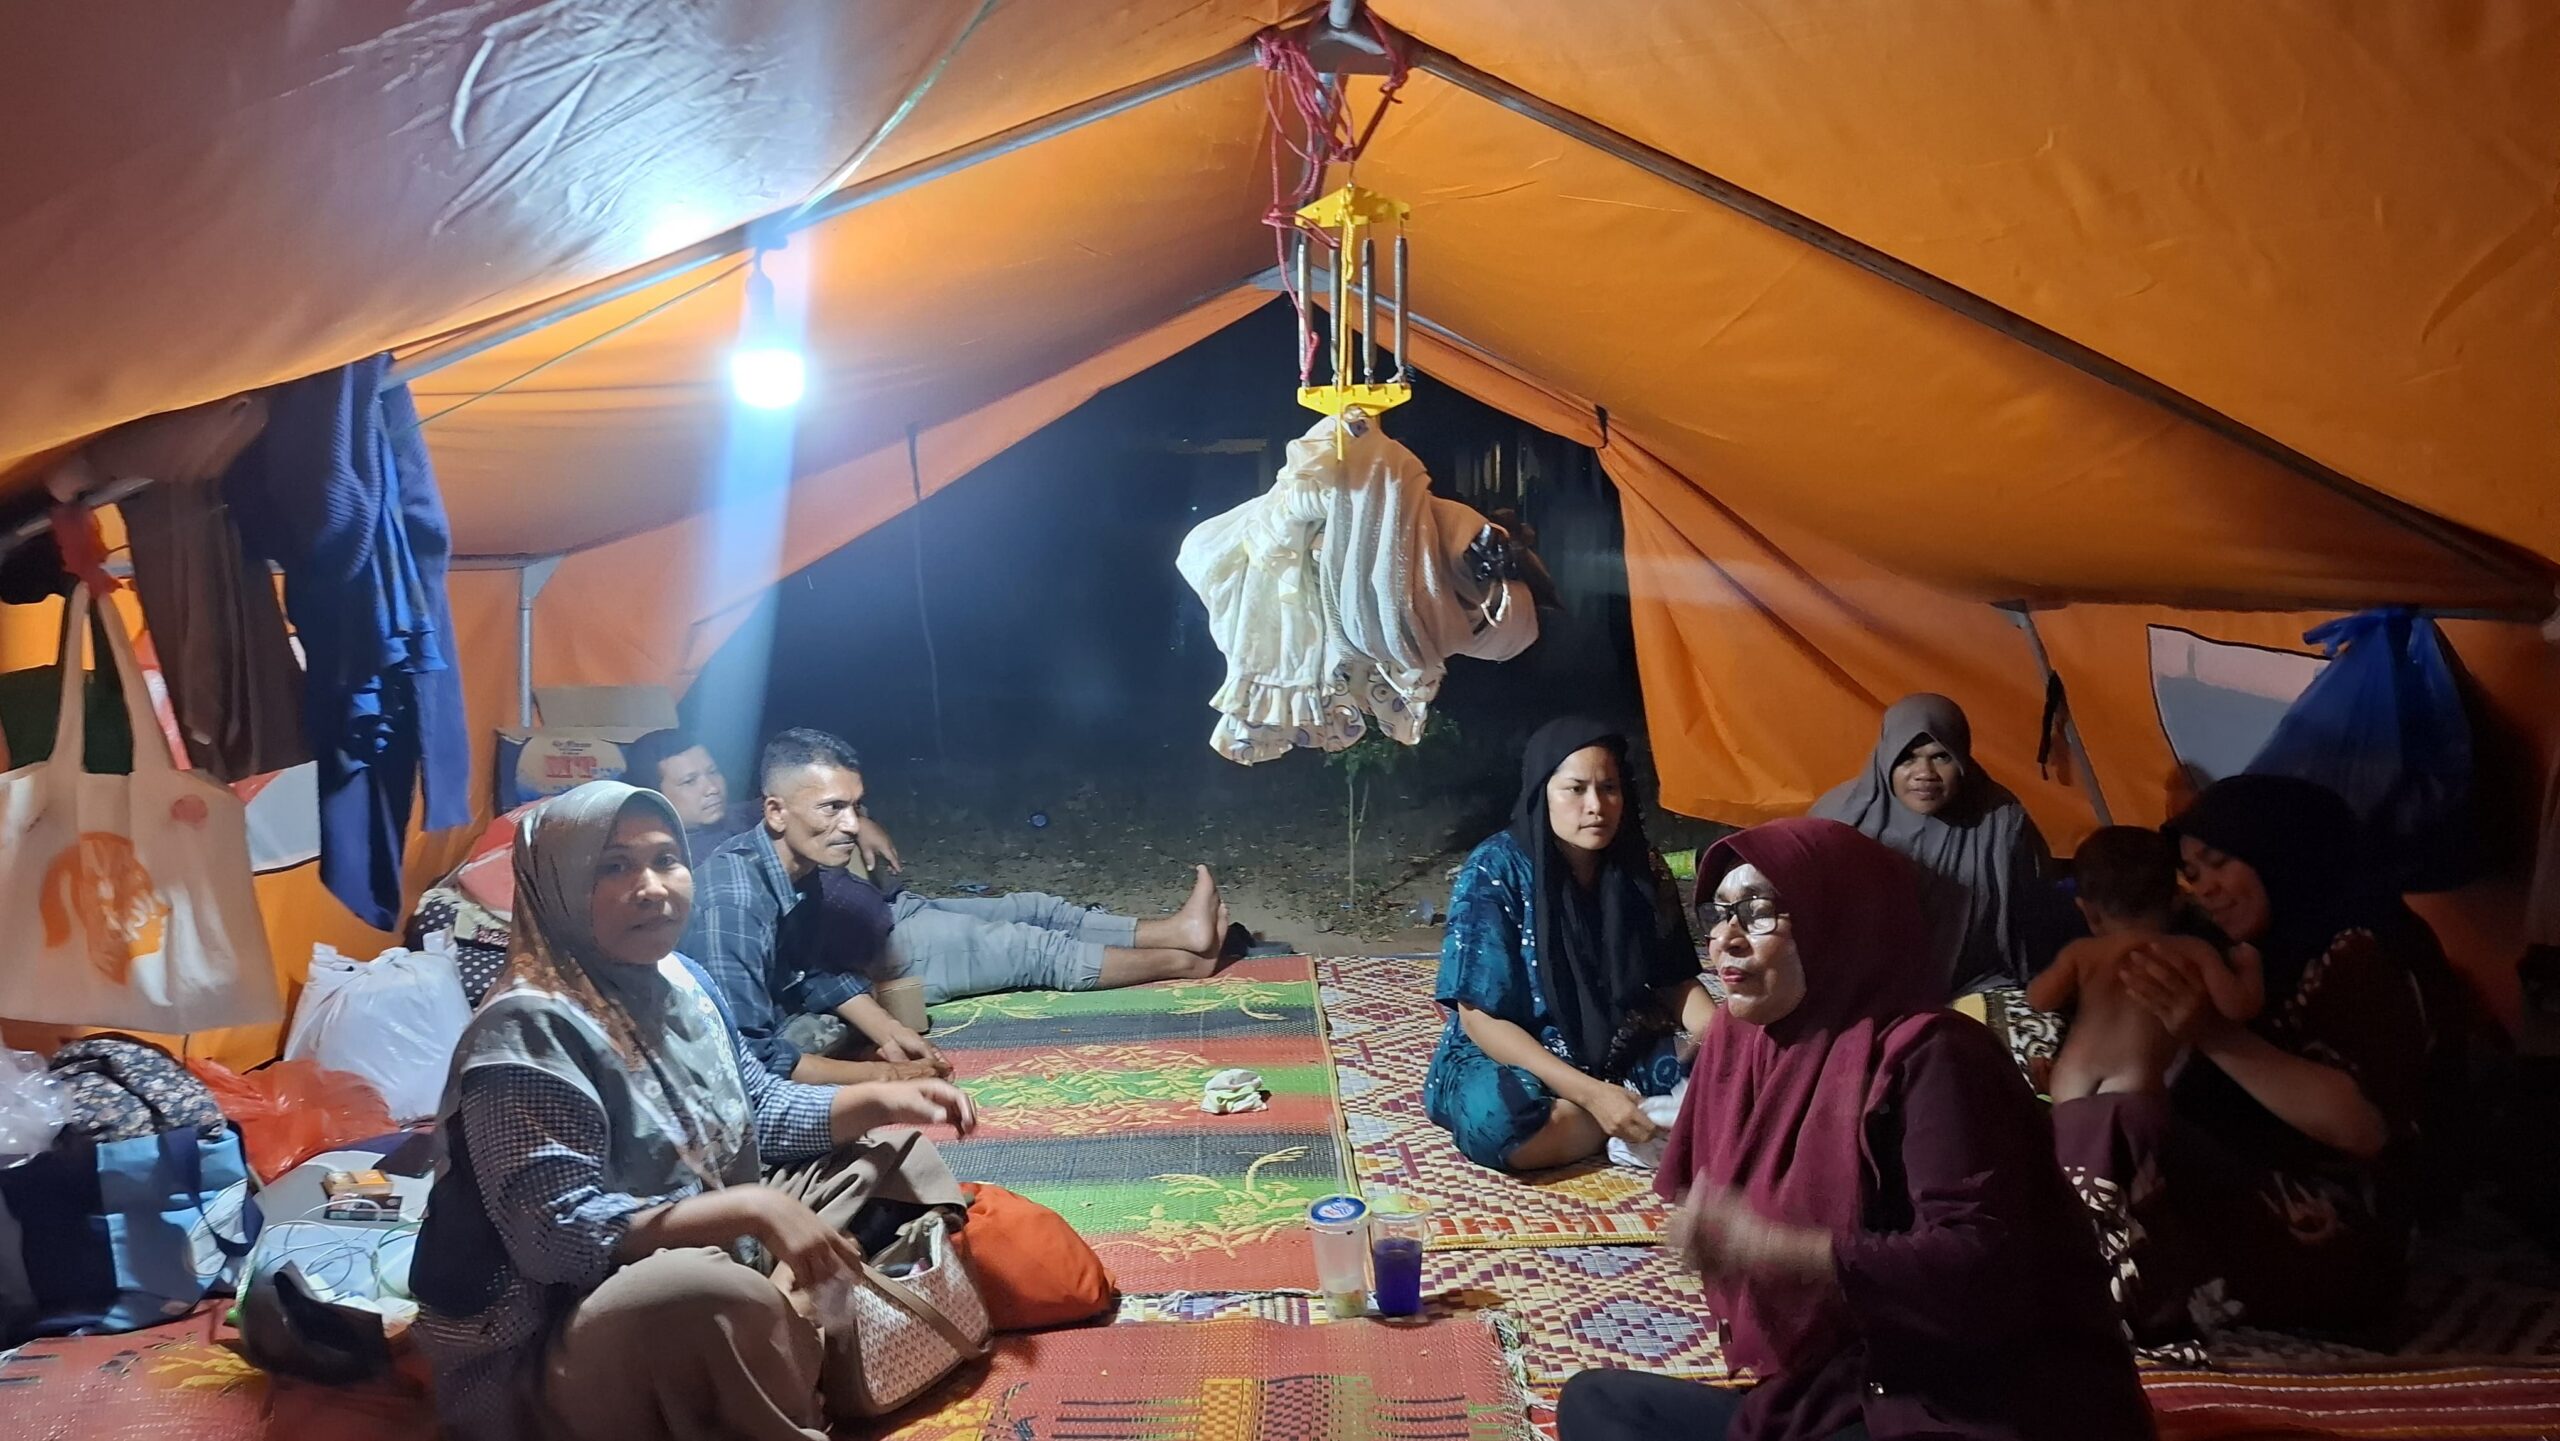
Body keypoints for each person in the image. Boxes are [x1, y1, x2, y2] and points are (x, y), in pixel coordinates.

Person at [410, 781, 981, 1441]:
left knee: (891, 1159)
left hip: (706, 1240)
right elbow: (558, 1241)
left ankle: (780, 1329)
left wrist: (882, 1098)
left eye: (665, 859)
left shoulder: (681, 978)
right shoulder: (526, 1034)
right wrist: (750, 1211)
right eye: (613, 866)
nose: (652, 887)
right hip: (551, 1346)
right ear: (557, 887)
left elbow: (756, 1109)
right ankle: (788, 1337)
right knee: (697, 1288)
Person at [1558, 817, 2151, 1441]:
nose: (1725, 939)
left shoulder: (1935, 1057)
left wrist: (1778, 1249)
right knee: (1598, 1404)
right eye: (1720, 913)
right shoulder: (1744, 1048)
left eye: (1758, 912)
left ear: (1840, 920)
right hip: (1840, 1389)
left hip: (1972, 1401)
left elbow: (1979, 1266)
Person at [2051, 775, 2440, 1345]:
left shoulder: (2365, 951)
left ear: (2279, 852)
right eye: (2192, 873)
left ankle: (2083, 1293)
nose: (2205, 889)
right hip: (2240, 1184)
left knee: (2117, 1123)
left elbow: (2363, 1128)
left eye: (2219, 864)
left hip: (2334, 1235)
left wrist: (2211, 1033)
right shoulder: (2243, 950)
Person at [690, 729, 1232, 1077]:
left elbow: (814, 972)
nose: (852, 825)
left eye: (856, 806)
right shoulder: (732, 900)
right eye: (833, 808)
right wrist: (885, 1077)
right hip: (751, 1070)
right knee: (1028, 949)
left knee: (1032, 908)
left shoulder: (792, 866)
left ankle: (1180, 937)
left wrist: (893, 1035)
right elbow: (751, 1059)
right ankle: (1185, 959)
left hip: (885, 920)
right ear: (775, 811)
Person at [1425, 719, 1712, 1172]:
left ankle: (1630, 1120)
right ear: (1543, 792)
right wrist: (1594, 1096)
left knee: (1734, 1078)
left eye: (1609, 788)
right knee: (1500, 1120)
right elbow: (1479, 1016)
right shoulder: (1495, 870)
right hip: (1517, 1050)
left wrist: (1722, 1041)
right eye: (1576, 789)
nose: (1596, 806)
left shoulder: (1642, 868)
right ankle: (1633, 1123)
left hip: (1619, 1046)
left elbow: (1674, 981)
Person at [1810, 693, 2061, 995]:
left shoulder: (2000, 821)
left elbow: (2037, 918)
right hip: (1860, 989)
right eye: (1907, 757)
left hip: (1975, 986)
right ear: (1885, 757)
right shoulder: (1839, 819)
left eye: (1941, 756)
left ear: (1962, 756)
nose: (1925, 774)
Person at [2029, 825, 2263, 1102]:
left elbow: (2039, 999)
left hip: (2072, 1096)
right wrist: (2250, 967)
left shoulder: (2081, 953)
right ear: (2178, 899)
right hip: (2137, 1097)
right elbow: (2238, 1007)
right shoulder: (2193, 950)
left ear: (2088, 911)